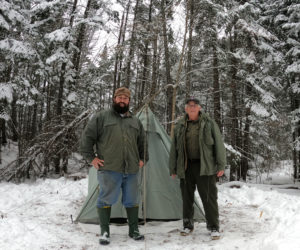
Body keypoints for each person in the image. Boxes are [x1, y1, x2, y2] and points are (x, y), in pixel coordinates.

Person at [80, 87, 148, 245]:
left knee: (132, 200)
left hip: (131, 169)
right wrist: (92, 158)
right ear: (114, 99)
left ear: (129, 101)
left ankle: (134, 230)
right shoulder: (101, 117)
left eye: (125, 98)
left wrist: (143, 159)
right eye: (120, 97)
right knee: (105, 199)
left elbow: (143, 142)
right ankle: (104, 232)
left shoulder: (135, 121)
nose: (122, 100)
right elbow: (87, 139)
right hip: (109, 168)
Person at [169, 97, 226, 240]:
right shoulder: (180, 126)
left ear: (199, 108)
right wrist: (173, 167)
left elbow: (219, 145)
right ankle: (188, 225)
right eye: (189, 105)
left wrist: (221, 164)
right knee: (187, 198)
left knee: (209, 198)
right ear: (186, 109)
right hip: (186, 167)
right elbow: (174, 149)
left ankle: (213, 227)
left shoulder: (209, 123)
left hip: (205, 167)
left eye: (195, 105)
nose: (192, 107)